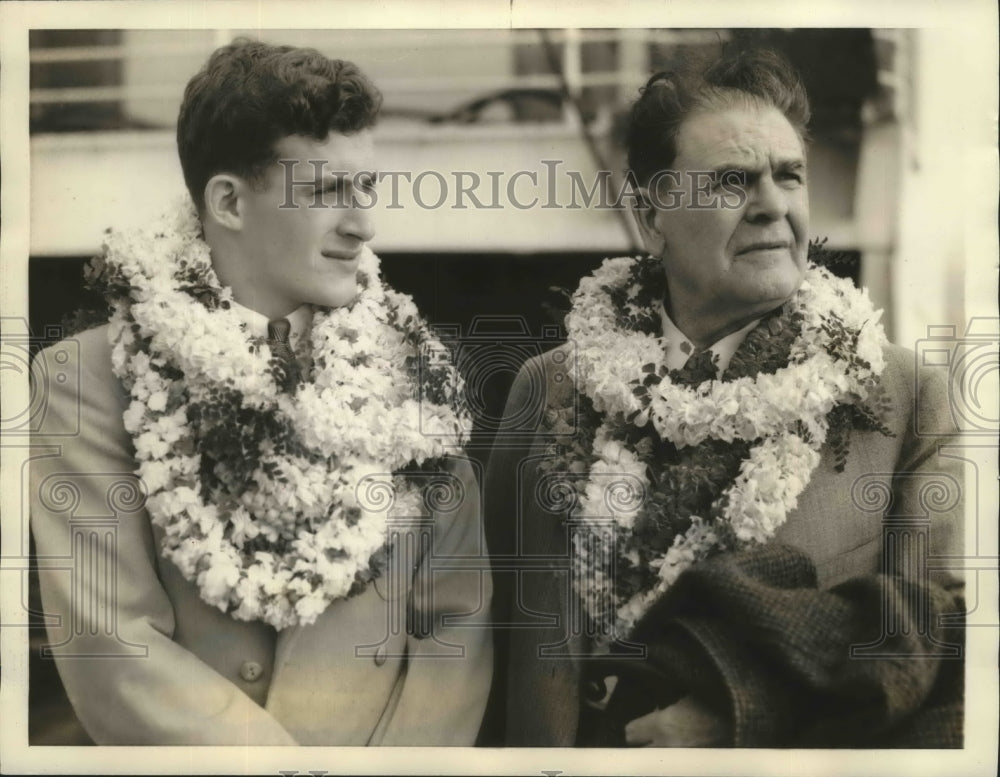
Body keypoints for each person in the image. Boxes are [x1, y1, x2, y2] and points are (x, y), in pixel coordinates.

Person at [487, 47, 964, 747]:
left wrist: (738, 714)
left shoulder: (906, 397)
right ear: (653, 214)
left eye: (788, 176)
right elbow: (491, 646)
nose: (773, 205)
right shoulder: (551, 387)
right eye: (733, 181)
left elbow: (949, 657)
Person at [30, 38, 492, 745]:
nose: (362, 223)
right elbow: (113, 647)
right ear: (228, 202)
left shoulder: (416, 371)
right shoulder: (82, 380)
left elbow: (453, 632)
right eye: (326, 190)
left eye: (365, 188)